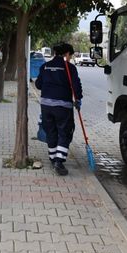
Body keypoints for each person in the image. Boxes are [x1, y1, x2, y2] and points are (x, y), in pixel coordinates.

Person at [34, 43, 83, 176]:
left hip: (46, 106)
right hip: (62, 107)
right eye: (70, 55)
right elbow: (76, 85)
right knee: (64, 132)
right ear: (66, 54)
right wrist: (78, 99)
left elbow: (38, 85)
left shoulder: (45, 66)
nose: (70, 58)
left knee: (51, 131)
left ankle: (52, 157)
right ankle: (59, 162)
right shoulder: (69, 67)